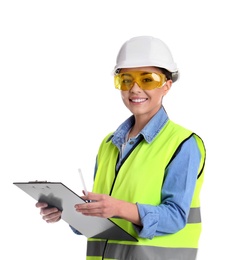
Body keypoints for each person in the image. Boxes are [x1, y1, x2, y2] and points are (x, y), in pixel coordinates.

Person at [36, 36, 206, 260]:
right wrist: (70, 211)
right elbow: (104, 220)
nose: (134, 89)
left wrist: (119, 208)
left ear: (167, 85)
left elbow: (175, 217)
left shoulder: (183, 143)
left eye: (147, 80)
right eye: (126, 80)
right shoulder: (109, 144)